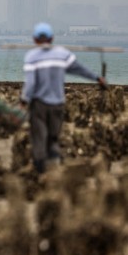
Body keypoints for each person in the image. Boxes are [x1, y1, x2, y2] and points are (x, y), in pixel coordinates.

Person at [20, 22, 106, 173]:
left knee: (39, 138)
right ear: (52, 38)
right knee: (53, 138)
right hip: (58, 104)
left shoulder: (32, 57)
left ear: (34, 40)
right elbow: (80, 69)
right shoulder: (62, 54)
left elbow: (31, 83)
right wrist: (97, 78)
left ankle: (41, 172)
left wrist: (24, 100)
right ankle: (56, 170)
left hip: (39, 105)